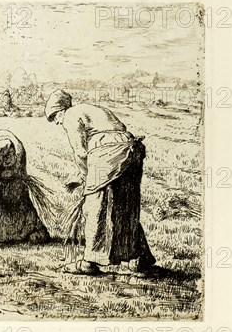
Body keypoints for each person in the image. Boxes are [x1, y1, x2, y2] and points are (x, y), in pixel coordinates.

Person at [45, 90, 156, 274]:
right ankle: (140, 257)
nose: (56, 122)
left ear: (61, 110)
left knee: (96, 205)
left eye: (55, 116)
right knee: (125, 205)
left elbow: (81, 152)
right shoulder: (91, 109)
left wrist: (85, 178)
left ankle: (90, 261)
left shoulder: (71, 115)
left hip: (107, 151)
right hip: (131, 148)